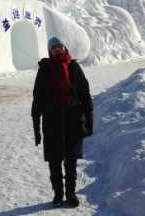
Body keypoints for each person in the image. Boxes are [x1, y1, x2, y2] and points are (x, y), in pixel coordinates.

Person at [31, 37, 94, 208]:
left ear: (65, 48)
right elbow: (37, 98)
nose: (58, 50)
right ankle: (58, 194)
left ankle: (71, 193)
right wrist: (36, 128)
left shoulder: (74, 67)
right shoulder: (44, 69)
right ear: (50, 52)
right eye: (54, 48)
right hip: (52, 121)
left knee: (71, 160)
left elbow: (85, 94)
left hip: (73, 119)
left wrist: (89, 120)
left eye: (60, 47)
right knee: (54, 160)